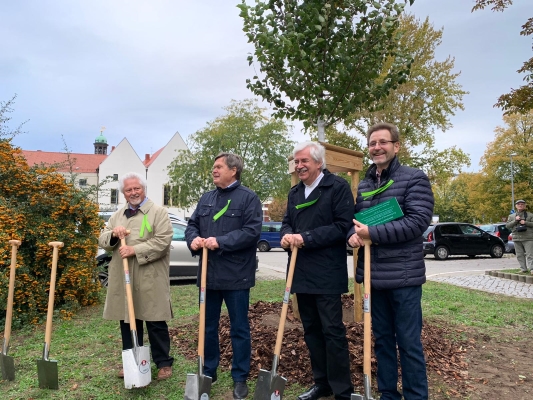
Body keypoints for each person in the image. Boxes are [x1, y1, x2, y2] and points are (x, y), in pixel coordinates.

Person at [347, 122, 433, 400]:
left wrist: (372, 233)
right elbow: (357, 221)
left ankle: (416, 396)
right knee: (382, 342)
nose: (377, 147)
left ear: (396, 146)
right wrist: (353, 236)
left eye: (383, 142)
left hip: (404, 277)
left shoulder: (414, 178)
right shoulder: (365, 184)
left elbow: (417, 222)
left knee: (408, 343)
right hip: (374, 276)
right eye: (372, 143)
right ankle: (387, 394)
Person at [185, 152, 262, 400]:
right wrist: (193, 239)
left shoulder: (248, 198)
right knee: (207, 327)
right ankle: (208, 371)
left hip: (237, 276)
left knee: (239, 328)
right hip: (208, 275)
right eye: (213, 167)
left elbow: (251, 232)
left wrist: (221, 241)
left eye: (218, 167)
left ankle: (240, 377)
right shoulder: (207, 198)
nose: (214, 170)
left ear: (233, 170)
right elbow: (191, 225)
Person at [280, 141, 354, 400]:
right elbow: (287, 223)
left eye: (304, 161)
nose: (299, 166)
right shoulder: (295, 192)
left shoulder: (337, 187)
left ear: (319, 163)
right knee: (311, 330)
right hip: (299, 272)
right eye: (296, 162)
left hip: (327, 273)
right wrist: (286, 236)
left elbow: (342, 226)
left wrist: (306, 238)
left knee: (332, 331)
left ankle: (342, 390)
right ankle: (322, 383)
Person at [98, 172, 174, 381]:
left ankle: (163, 363)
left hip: (150, 275)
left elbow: (163, 241)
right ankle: (132, 360)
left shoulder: (158, 212)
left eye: (136, 188)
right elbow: (103, 240)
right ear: (124, 193)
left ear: (144, 189)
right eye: (129, 190)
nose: (133, 193)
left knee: (155, 319)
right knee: (128, 318)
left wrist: (135, 250)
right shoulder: (117, 215)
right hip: (125, 276)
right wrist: (114, 234)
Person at [506, 199, 533, 273]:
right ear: (516, 206)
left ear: (525, 206)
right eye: (519, 204)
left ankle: (532, 269)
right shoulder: (511, 216)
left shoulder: (530, 215)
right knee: (519, 255)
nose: (520, 205)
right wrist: (515, 220)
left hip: (528, 237)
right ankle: (523, 269)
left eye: (522, 204)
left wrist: (525, 222)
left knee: (530, 254)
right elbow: (507, 225)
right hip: (516, 238)